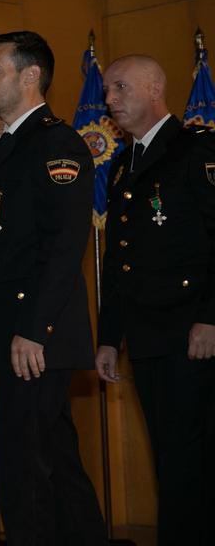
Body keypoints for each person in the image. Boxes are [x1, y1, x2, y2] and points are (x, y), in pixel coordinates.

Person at [0, 30, 106, 545]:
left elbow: (64, 248)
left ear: (30, 76)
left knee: (26, 472)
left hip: (35, 337)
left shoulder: (57, 144)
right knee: (54, 464)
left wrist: (34, 330)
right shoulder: (9, 146)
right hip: (11, 332)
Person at [95, 54, 215, 543]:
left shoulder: (195, 150)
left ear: (154, 89)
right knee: (168, 456)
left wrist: (211, 317)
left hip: (192, 333)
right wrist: (109, 336)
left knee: (192, 457)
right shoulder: (123, 165)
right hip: (147, 334)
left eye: (120, 87)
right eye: (107, 90)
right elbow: (120, 258)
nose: (109, 100)